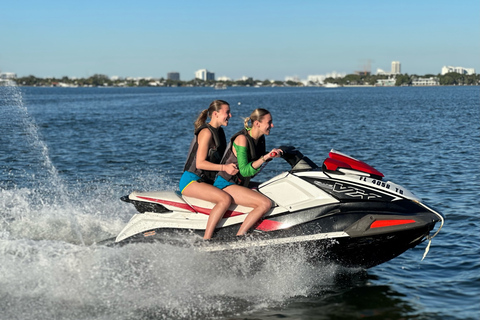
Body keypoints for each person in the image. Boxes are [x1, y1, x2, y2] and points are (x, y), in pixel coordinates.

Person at [215, 108, 282, 236]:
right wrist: (266, 157)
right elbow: (245, 171)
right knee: (265, 203)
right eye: (269, 122)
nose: (272, 125)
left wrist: (273, 156)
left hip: (240, 184)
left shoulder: (260, 139)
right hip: (225, 184)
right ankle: (240, 236)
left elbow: (256, 166)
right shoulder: (242, 139)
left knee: (273, 188)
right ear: (257, 123)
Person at [179, 100, 239, 239]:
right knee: (224, 199)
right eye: (227, 112)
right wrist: (225, 168)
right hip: (191, 181)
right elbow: (200, 164)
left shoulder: (220, 132)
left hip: (206, 181)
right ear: (216, 114)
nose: (230, 115)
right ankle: (207, 239)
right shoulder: (206, 132)